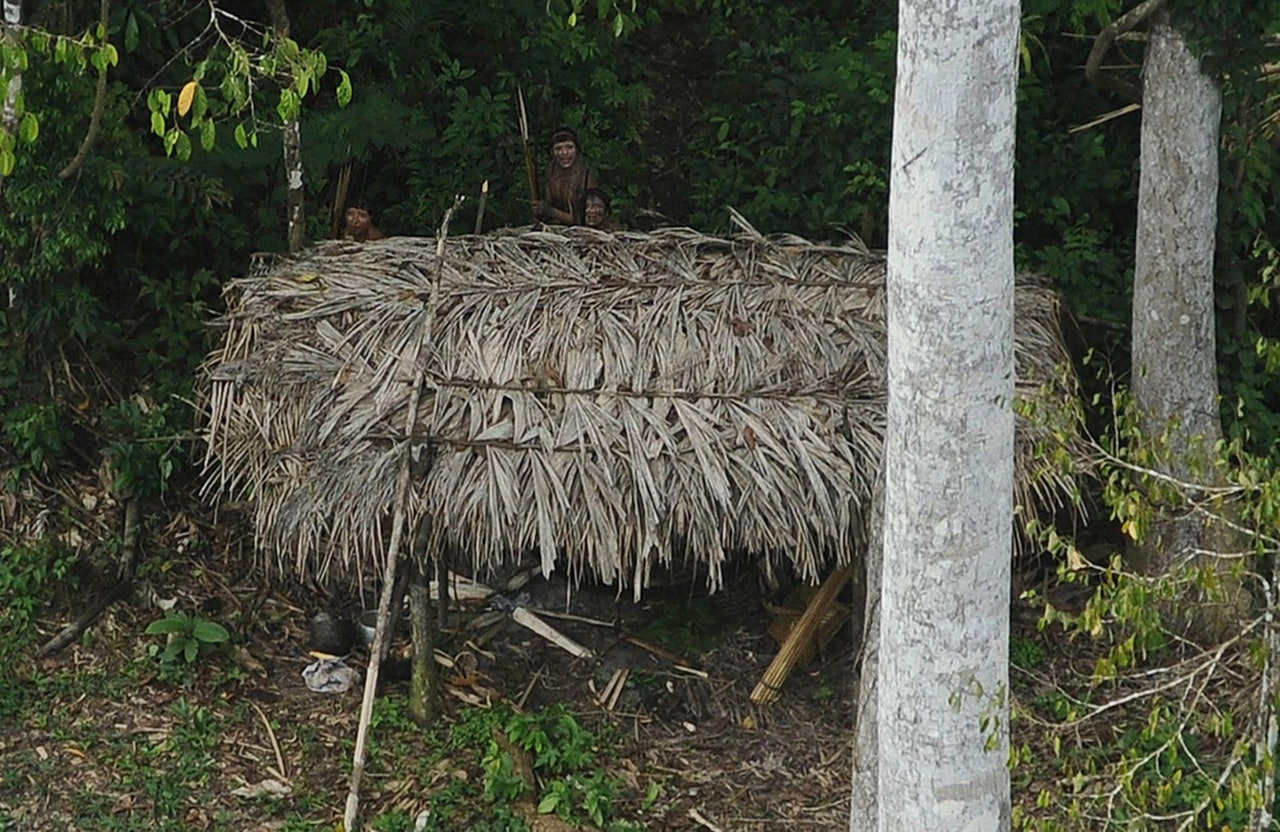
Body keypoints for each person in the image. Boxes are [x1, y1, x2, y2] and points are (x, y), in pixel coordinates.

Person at [534, 127, 597, 226]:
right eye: (558, 148)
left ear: (577, 150)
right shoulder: (550, 173)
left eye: (569, 147)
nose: (564, 153)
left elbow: (588, 217)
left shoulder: (586, 177)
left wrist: (552, 212)